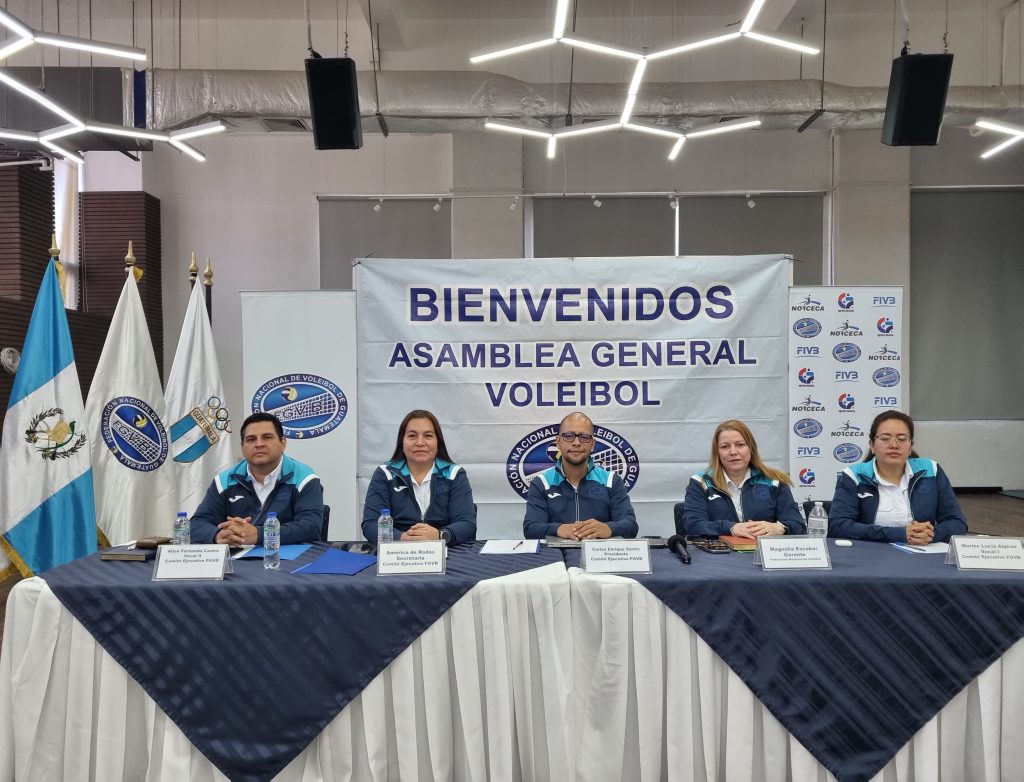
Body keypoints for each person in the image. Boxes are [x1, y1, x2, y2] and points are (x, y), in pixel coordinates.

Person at [828, 410, 967, 543]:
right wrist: (899, 534)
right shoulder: (854, 476)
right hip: (870, 554)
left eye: (901, 439)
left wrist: (930, 534)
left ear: (911, 445)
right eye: (885, 438)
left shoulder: (931, 470)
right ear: (872, 445)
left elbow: (957, 523)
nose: (894, 445)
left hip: (924, 554)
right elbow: (838, 525)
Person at [190, 412, 324, 545]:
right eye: (251, 439)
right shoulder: (224, 481)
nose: (259, 444)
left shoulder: (304, 478)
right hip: (238, 561)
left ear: (283, 442)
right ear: (242, 446)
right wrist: (218, 535)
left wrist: (260, 534)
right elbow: (196, 524)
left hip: (289, 561)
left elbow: (311, 527)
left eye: (267, 437)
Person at [361, 410, 476, 543]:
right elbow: (370, 524)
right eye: (412, 436)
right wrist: (402, 537)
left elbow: (466, 523)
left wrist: (439, 535)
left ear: (438, 442)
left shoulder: (455, 474)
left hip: (446, 553)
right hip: (397, 554)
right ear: (402, 442)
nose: (420, 442)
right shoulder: (385, 474)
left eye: (428, 436)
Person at [523, 412, 638, 540]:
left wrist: (608, 529)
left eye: (584, 437)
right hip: (557, 558)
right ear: (558, 442)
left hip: (599, 556)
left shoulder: (611, 481)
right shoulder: (542, 483)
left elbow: (630, 526)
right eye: (568, 436)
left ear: (593, 444)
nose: (576, 442)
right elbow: (531, 529)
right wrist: (559, 529)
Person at [684, 419, 805, 538]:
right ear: (717, 452)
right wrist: (731, 528)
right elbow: (693, 526)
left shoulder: (774, 481)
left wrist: (779, 528)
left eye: (740, 445)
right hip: (718, 555)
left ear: (751, 448)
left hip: (763, 554)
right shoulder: (701, 482)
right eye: (725, 446)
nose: (733, 452)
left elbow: (798, 525)